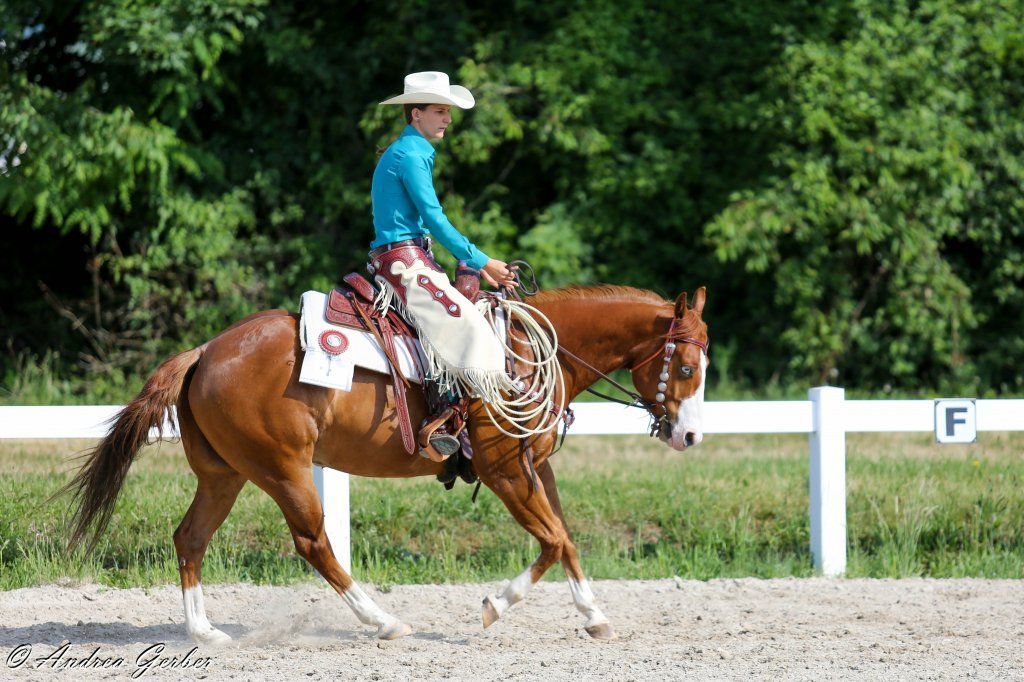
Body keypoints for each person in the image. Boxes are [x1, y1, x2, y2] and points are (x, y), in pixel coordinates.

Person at [370, 71, 518, 460]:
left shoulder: (412, 151)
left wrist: (474, 261)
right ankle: (444, 419)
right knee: (461, 319)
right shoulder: (409, 155)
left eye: (448, 112)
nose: (447, 119)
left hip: (412, 255)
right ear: (415, 113)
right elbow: (434, 219)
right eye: (439, 111)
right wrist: (482, 259)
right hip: (402, 260)